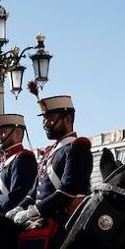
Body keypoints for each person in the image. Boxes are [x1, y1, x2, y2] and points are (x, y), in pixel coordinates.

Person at [10, 94, 92, 231]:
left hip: (62, 220)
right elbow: (34, 191)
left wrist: (33, 211)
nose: (46, 124)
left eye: (51, 119)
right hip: (42, 217)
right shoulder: (50, 152)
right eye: (44, 119)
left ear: (67, 119)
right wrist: (19, 207)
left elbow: (67, 191)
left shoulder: (77, 147)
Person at [0, 113, 37, 215]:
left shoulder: (23, 159)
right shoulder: (0, 162)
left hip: (3, 216)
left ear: (17, 133)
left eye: (3, 132)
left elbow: (16, 195)